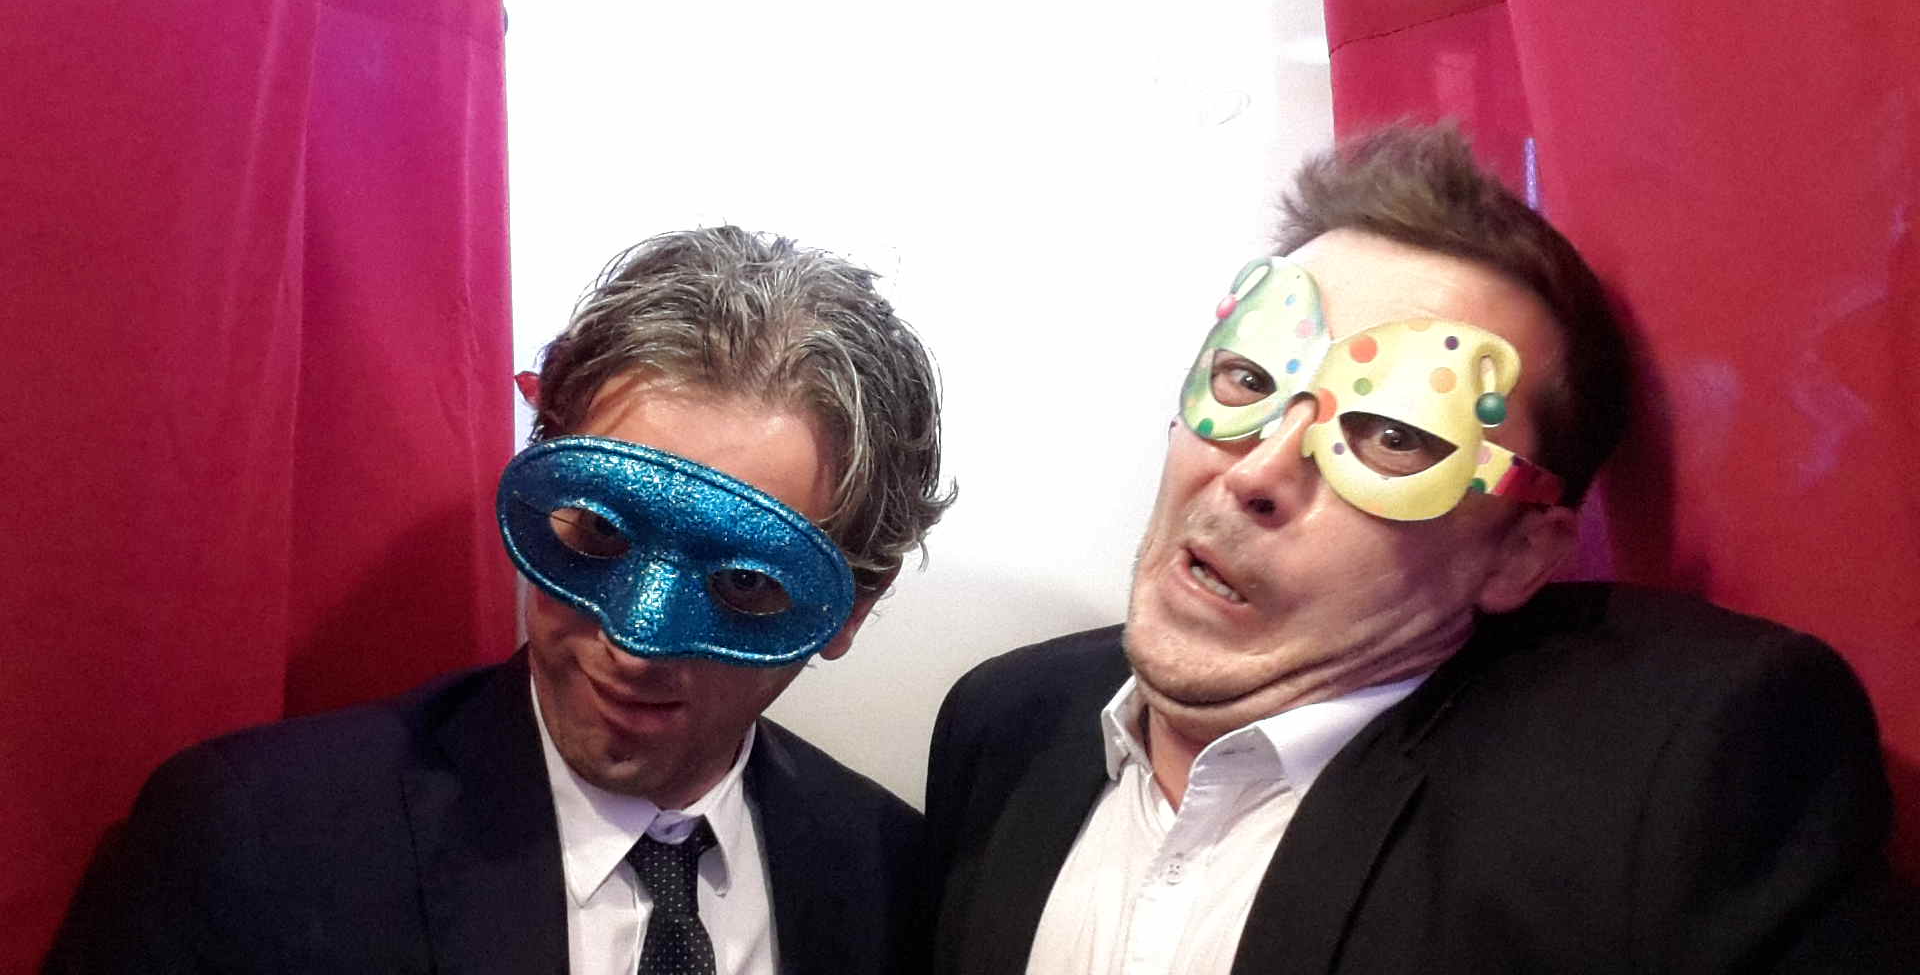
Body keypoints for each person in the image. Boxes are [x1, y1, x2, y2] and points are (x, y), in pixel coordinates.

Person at [923, 125, 1906, 973]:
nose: (1257, 471)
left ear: (1520, 554)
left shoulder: (1680, 779)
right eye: (1248, 379)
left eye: (1396, 435)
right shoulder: (1004, 726)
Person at [48, 226, 952, 974]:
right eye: (599, 533)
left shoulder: (898, 883)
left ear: (850, 610)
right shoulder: (255, 842)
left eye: (744, 582)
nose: (637, 641)